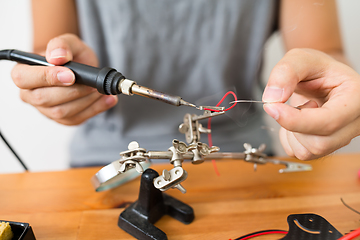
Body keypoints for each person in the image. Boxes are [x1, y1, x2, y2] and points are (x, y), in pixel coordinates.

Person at [10, 0, 359, 167]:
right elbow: (47, 53)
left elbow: (326, 56)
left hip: (248, 162)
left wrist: (335, 97)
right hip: (105, 163)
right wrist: (55, 80)